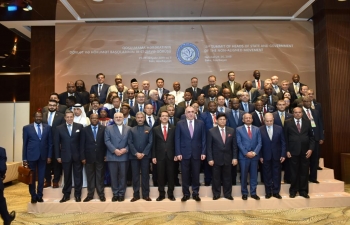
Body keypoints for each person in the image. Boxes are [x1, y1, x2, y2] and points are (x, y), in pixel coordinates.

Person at [175, 106, 206, 202]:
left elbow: (203, 139)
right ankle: (186, 194)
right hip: (184, 154)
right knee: (185, 175)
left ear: (195, 112)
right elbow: (177, 139)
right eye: (188, 112)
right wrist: (178, 152)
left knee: (196, 174)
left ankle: (196, 193)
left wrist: (203, 152)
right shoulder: (180, 124)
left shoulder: (200, 123)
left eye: (192, 112)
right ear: (185, 113)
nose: (191, 113)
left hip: (197, 153)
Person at [284, 107, 315, 198]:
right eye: (296, 112)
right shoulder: (287, 122)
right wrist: (287, 150)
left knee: (304, 172)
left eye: (299, 112)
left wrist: (311, 149)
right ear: (292, 113)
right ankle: (293, 190)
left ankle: (303, 191)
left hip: (305, 151)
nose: (298, 114)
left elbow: (312, 137)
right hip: (293, 151)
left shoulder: (307, 122)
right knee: (294, 172)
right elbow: (285, 138)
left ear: (302, 113)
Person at [22, 111, 53, 203]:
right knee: (32, 177)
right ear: (33, 117)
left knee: (41, 176)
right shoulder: (27, 128)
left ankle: (40, 195)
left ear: (42, 117)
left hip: (43, 156)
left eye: (40, 116)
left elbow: (50, 143)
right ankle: (33, 195)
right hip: (31, 155)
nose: (38, 118)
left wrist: (49, 156)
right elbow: (25, 144)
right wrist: (24, 158)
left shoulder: (48, 128)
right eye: (37, 116)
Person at [207, 113, 238, 200]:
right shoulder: (211, 131)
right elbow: (209, 146)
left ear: (226, 121)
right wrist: (210, 158)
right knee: (216, 177)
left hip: (228, 158)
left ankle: (228, 194)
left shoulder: (231, 130)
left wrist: (235, 157)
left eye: (224, 119)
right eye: (220, 119)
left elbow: (234, 146)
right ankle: (216, 194)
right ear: (216, 121)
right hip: (216, 159)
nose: (222, 121)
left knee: (228, 177)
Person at [55, 110, 84, 203]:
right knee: (67, 176)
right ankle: (66, 195)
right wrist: (58, 156)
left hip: (77, 156)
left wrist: (82, 156)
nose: (69, 118)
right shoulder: (59, 128)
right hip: (65, 156)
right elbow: (56, 144)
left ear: (73, 117)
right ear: (65, 118)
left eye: (71, 117)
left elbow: (82, 143)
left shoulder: (79, 126)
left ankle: (78, 194)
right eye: (67, 117)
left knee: (78, 176)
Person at [104, 112, 131, 202]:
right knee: (113, 176)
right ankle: (115, 194)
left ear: (123, 118)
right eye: (116, 117)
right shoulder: (108, 128)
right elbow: (107, 141)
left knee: (123, 176)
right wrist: (115, 150)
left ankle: (121, 193)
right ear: (113, 118)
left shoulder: (129, 129)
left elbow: (131, 142)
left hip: (124, 155)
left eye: (120, 117)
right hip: (112, 155)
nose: (118, 118)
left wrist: (125, 149)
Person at [80, 114, 107, 202]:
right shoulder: (84, 130)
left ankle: (101, 195)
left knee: (100, 176)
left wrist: (106, 155)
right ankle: (90, 195)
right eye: (92, 118)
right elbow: (82, 144)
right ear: (90, 119)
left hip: (100, 156)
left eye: (96, 118)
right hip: (88, 157)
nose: (94, 120)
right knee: (90, 177)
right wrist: (83, 157)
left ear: (98, 119)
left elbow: (106, 143)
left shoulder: (103, 128)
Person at [259, 113, 286, 199]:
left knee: (277, 174)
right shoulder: (260, 129)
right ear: (264, 120)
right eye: (267, 121)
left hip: (277, 156)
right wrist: (260, 156)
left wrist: (283, 154)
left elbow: (283, 143)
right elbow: (259, 144)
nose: (269, 122)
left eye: (271, 121)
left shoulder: (279, 128)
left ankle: (276, 192)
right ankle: (268, 192)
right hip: (265, 155)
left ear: (273, 120)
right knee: (267, 175)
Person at [128, 112, 153, 202]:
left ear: (144, 118)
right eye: (138, 117)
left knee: (145, 175)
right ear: (136, 119)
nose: (140, 119)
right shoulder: (131, 129)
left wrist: (144, 153)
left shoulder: (149, 129)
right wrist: (136, 153)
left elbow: (150, 142)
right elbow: (129, 142)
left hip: (145, 157)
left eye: (141, 117)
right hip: (134, 156)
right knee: (135, 176)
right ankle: (136, 195)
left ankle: (146, 195)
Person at [236, 113, 262, 200]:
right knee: (244, 175)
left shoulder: (257, 129)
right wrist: (246, 153)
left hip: (254, 157)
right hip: (244, 156)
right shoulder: (238, 129)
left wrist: (254, 153)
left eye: (249, 118)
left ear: (252, 119)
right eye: (246, 118)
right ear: (243, 120)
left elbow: (259, 143)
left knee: (254, 175)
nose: (248, 119)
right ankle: (244, 193)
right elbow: (239, 143)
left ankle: (253, 193)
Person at [152, 111, 176, 201]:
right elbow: (153, 144)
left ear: (168, 118)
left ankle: (170, 194)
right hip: (159, 156)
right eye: (163, 116)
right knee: (160, 176)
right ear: (160, 118)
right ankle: (161, 194)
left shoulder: (173, 128)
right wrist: (153, 156)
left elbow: (176, 142)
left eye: (166, 116)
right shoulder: (155, 129)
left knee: (171, 175)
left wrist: (176, 154)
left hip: (171, 155)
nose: (165, 117)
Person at [42, 100, 65, 188]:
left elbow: (62, 130)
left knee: (56, 162)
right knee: (46, 162)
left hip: (56, 142)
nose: (52, 107)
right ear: (48, 106)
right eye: (50, 105)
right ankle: (47, 180)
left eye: (53, 105)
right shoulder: (43, 115)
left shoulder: (61, 116)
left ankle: (56, 181)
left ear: (57, 106)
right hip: (45, 143)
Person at [301, 97, 324, 183]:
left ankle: (313, 177)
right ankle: (305, 177)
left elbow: (320, 124)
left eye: (309, 101)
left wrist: (321, 137)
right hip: (306, 139)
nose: (308, 103)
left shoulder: (315, 112)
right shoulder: (300, 112)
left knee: (315, 159)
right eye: (306, 101)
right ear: (303, 102)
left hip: (316, 138)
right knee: (306, 160)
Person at [0, 147, 16, 225]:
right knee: (0, 200)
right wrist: (2, 175)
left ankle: (7, 218)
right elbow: (2, 168)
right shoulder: (1, 151)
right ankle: (7, 218)